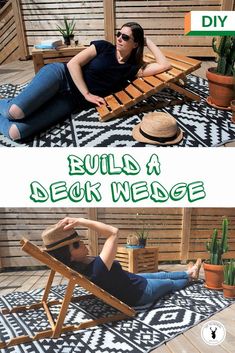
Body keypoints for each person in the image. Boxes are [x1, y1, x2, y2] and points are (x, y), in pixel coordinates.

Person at [0, 22, 171, 141]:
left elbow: (165, 64)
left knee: (15, 133)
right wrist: (87, 94)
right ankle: (5, 103)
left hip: (71, 101)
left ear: (135, 44)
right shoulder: (103, 47)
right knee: (15, 113)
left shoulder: (132, 69)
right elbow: (74, 63)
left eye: (125, 37)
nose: (119, 38)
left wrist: (148, 41)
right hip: (60, 76)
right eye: (119, 34)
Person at [41, 217, 202, 307]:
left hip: (133, 280)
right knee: (169, 283)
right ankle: (189, 278)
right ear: (70, 257)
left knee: (160, 273)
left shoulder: (83, 265)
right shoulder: (96, 269)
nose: (82, 242)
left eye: (79, 239)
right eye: (76, 244)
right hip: (140, 293)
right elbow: (113, 233)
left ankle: (189, 271)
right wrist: (81, 221)